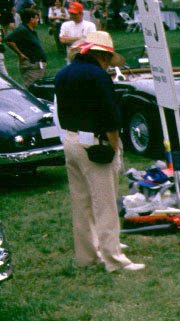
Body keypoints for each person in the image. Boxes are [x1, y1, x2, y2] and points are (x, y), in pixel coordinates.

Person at [54, 31, 143, 272]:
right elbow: (110, 116)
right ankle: (113, 258)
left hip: (71, 140)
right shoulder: (98, 77)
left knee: (81, 202)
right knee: (105, 204)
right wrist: (114, 148)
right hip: (95, 143)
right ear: (103, 56)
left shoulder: (62, 74)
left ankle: (87, 255)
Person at [4, 6, 45, 86]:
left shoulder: (29, 30)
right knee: (33, 88)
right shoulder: (22, 30)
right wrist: (20, 54)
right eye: (36, 18)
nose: (38, 21)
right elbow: (8, 39)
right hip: (31, 66)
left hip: (37, 65)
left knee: (39, 88)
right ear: (31, 19)